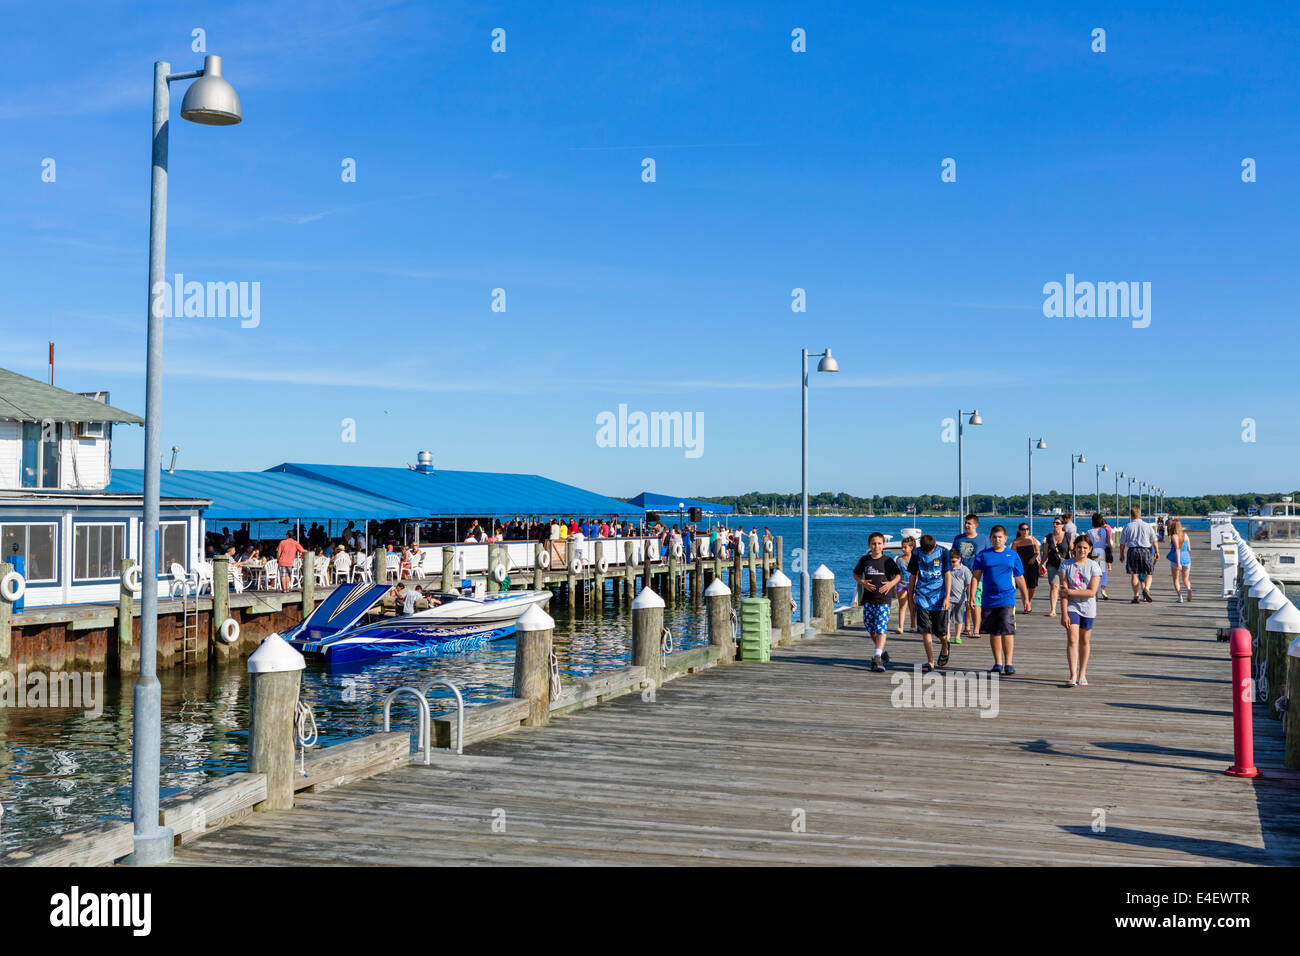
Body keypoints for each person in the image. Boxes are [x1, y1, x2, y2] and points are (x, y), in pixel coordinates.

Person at [971, 524, 1029, 675]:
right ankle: (998, 662)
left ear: (1005, 538)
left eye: (1000, 537)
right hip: (988, 598)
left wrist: (1026, 598)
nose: (997, 540)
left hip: (1007, 597)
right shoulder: (983, 555)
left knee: (1007, 629)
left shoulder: (1012, 555)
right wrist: (972, 596)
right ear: (990, 538)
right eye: (994, 537)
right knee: (994, 632)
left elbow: (1020, 578)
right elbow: (976, 577)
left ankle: (1009, 663)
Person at [1059, 534, 1102, 686]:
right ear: (1074, 548)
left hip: (1088, 608)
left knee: (1084, 641)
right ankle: (1073, 674)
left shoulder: (1094, 567)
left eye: (1085, 548)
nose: (1081, 550)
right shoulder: (1065, 565)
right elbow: (1062, 592)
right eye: (1079, 547)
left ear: (1090, 549)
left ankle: (1082, 673)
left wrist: (1070, 592)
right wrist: (1064, 613)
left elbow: (1091, 592)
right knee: (1072, 639)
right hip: (1072, 607)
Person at [853, 532, 900, 672]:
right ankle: (881, 650)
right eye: (873, 543)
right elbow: (855, 573)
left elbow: (898, 575)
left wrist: (891, 584)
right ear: (869, 545)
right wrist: (862, 582)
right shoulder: (865, 560)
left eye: (879, 543)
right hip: (868, 599)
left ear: (884, 545)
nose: (876, 546)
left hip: (883, 600)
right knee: (871, 629)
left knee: (881, 628)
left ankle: (877, 657)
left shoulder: (888, 561)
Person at [907, 534, 951, 672]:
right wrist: (910, 595)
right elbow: (913, 575)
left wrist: (947, 597)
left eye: (930, 550)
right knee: (925, 630)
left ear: (935, 544)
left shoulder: (943, 552)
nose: (928, 553)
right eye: (926, 551)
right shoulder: (916, 553)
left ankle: (945, 645)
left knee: (940, 632)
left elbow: (947, 574)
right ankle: (930, 661)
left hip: (939, 596)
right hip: (922, 596)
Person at [951, 514, 991, 635]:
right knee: (964, 601)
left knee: (975, 601)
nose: (966, 525)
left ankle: (976, 629)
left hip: (976, 575)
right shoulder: (958, 539)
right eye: (966, 523)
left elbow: (988, 555)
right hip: (959, 575)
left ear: (976, 525)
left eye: (969, 523)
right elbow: (953, 555)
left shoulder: (983, 539)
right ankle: (966, 626)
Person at [1119, 506, 1159, 603]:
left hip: (1132, 551)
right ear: (1140, 514)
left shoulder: (1127, 526)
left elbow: (1122, 543)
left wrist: (1121, 554)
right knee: (1148, 573)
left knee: (1134, 574)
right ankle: (1147, 589)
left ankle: (1136, 595)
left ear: (1131, 515)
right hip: (1145, 550)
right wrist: (1157, 552)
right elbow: (1154, 541)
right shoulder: (1147, 526)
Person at [1042, 517, 1071, 615]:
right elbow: (1045, 553)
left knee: (1065, 587)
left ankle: (1066, 609)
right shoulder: (1049, 537)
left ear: (1062, 525)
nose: (1055, 525)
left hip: (1065, 565)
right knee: (1054, 586)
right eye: (1054, 523)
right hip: (1052, 564)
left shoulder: (1067, 536)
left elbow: (1072, 550)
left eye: (1057, 523)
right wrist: (1041, 564)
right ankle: (1053, 609)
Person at [1011, 523, 1042, 613]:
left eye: (1027, 529)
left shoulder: (1032, 539)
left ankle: (1029, 601)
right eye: (1023, 529)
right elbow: (1013, 555)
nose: (1025, 531)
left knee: (1032, 586)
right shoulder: (1016, 542)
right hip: (1021, 566)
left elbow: (1037, 551)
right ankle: (1026, 604)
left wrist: (1033, 558)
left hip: (1032, 565)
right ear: (1019, 531)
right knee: (1023, 586)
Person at [946, 548, 972, 646]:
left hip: (960, 599)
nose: (952, 564)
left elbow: (969, 584)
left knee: (959, 618)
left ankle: (957, 636)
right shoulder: (947, 569)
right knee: (946, 618)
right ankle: (947, 635)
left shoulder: (964, 570)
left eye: (953, 561)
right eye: (950, 561)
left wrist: (969, 598)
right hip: (948, 598)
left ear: (959, 559)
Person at [1086, 513, 1112, 600]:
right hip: (1103, 552)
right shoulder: (1105, 531)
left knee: (1094, 573)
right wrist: (1110, 553)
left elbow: (1088, 544)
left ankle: (1095, 591)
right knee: (1103, 572)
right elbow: (1108, 543)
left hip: (1094, 553)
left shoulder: (1089, 532)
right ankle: (1103, 589)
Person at [1166, 517, 1192, 602]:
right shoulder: (1186, 535)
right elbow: (1189, 549)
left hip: (1176, 559)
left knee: (1176, 579)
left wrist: (1178, 562)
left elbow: (1177, 548)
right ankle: (1188, 589)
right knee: (1186, 579)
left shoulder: (1174, 536)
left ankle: (1180, 597)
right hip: (1187, 558)